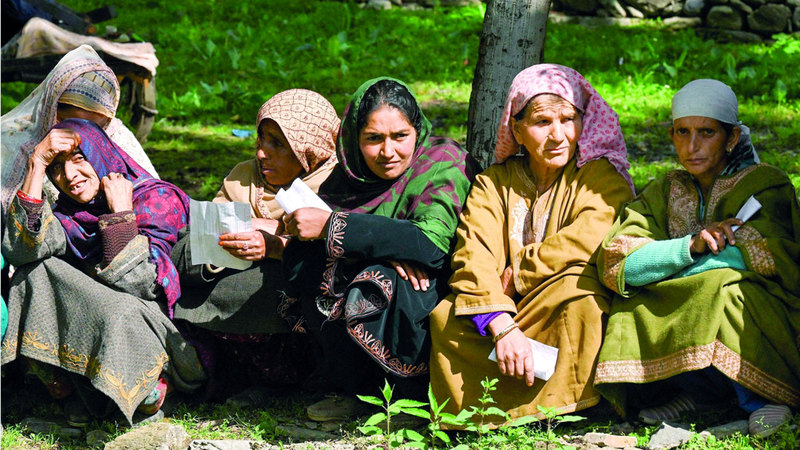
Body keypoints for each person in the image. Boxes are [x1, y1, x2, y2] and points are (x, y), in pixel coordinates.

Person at [429, 64, 634, 426]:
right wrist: (499, 322)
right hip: (505, 306)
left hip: (554, 303)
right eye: (542, 122)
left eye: (568, 120)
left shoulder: (599, 176)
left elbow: (589, 236)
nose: (558, 135)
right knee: (445, 317)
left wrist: (521, 271)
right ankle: (484, 412)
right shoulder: (494, 184)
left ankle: (572, 403)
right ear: (517, 130)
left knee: (579, 297)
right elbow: (473, 252)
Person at [594, 79, 800, 438]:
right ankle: (700, 394)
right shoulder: (664, 190)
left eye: (707, 132)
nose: (692, 146)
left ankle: (764, 396)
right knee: (635, 299)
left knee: (721, 287)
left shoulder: (766, 185)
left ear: (732, 137)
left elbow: (766, 255)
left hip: (768, 304)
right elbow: (620, 263)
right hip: (691, 286)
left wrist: (665, 271)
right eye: (682, 132)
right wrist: (689, 247)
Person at [281, 78, 475, 421]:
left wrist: (335, 228)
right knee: (319, 269)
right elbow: (300, 259)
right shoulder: (347, 178)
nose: (388, 152)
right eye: (373, 139)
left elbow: (431, 245)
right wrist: (386, 246)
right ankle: (355, 391)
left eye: (400, 136)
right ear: (354, 139)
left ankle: (411, 396)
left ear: (417, 131)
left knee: (384, 279)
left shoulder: (443, 163)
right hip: (368, 276)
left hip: (437, 284)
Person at [1, 118, 204, 425]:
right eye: (57, 167)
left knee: (119, 311)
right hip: (104, 323)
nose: (69, 175)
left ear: (100, 154)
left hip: (162, 336)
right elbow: (21, 251)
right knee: (31, 273)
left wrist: (120, 217)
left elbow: (143, 287)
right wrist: (36, 163)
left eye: (79, 159)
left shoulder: (156, 199)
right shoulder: (69, 217)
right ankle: (69, 387)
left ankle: (151, 386)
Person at [169, 89, 340, 400]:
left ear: (309, 149)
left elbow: (336, 255)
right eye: (261, 140)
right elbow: (198, 242)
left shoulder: (335, 187)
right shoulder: (243, 178)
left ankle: (289, 383)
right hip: (227, 295)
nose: (261, 153)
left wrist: (277, 241)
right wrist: (232, 239)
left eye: (277, 144)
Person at [1, 44, 158, 214]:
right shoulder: (11, 146)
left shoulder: (117, 137)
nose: (83, 136)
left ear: (107, 119)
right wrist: (37, 163)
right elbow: (19, 226)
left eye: (94, 128)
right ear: (51, 110)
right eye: (71, 124)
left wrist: (121, 213)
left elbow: (154, 199)